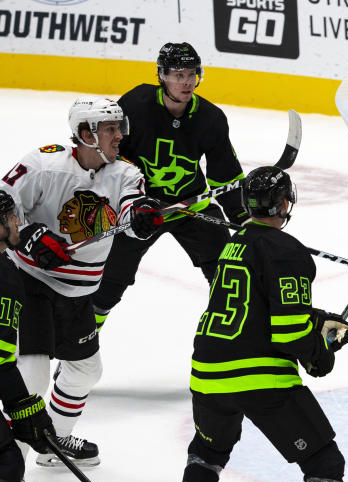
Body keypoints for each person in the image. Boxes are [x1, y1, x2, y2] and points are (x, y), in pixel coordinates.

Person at [170, 166, 348, 482]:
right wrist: (323, 351)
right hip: (259, 377)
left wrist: (317, 319)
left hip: (207, 371)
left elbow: (258, 303)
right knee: (323, 460)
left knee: (208, 450)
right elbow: (287, 333)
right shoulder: (288, 251)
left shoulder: (233, 243)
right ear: (283, 205)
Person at [3, 96, 163, 479]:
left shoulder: (124, 173)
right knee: (35, 372)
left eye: (119, 127)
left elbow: (131, 203)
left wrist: (141, 215)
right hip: (33, 282)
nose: (119, 135)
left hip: (76, 293)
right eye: (110, 129)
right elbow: (3, 203)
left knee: (85, 370)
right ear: (86, 133)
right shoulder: (43, 164)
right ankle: (10, 466)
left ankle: (52, 442)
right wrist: (28, 235)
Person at [92, 42, 244, 331]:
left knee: (230, 278)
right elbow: (113, 156)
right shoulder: (135, 105)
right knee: (109, 286)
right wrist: (132, 202)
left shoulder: (211, 118)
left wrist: (244, 218)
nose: (187, 82)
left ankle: (235, 345)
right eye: (178, 75)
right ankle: (80, 348)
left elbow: (225, 177)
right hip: (141, 210)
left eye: (192, 74)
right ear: (162, 75)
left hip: (192, 206)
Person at [0, 190, 62, 482]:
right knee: (5, 459)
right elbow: (1, 362)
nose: (18, 225)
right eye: (12, 219)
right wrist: (27, 409)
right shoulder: (5, 278)